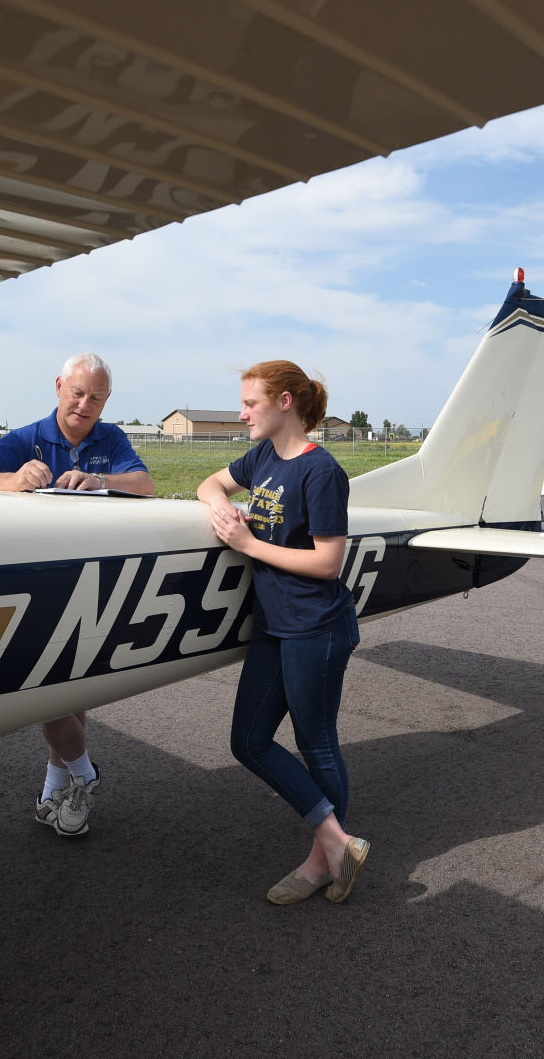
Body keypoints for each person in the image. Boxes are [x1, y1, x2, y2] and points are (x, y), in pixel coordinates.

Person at [196, 360, 369, 905]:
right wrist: (225, 511)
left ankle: (324, 861)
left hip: (316, 628)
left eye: (251, 403)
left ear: (285, 403)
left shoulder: (322, 472)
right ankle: (339, 843)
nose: (242, 413)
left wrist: (247, 545)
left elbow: (327, 562)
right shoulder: (263, 456)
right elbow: (208, 484)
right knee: (247, 741)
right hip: (274, 625)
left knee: (316, 744)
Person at [0, 353, 155, 837]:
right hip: (39, 587)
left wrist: (101, 480)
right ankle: (85, 775)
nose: (84, 405)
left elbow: (147, 484)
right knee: (49, 697)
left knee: (75, 695)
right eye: (77, 393)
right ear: (58, 387)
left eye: (96, 397)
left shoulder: (110, 438)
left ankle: (55, 787)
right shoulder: (26, 437)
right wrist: (13, 481)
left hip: (92, 586)